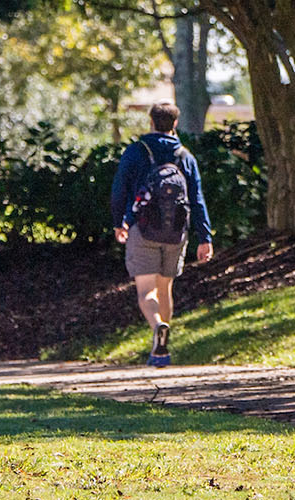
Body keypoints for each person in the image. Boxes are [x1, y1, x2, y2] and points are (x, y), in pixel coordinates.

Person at [109, 103, 215, 368]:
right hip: (176, 232)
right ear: (175, 124)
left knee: (146, 291)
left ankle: (158, 327)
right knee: (165, 288)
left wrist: (118, 222)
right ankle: (161, 352)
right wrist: (205, 237)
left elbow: (119, 189)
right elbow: (197, 199)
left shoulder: (136, 151)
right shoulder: (185, 156)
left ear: (151, 122)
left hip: (142, 229)